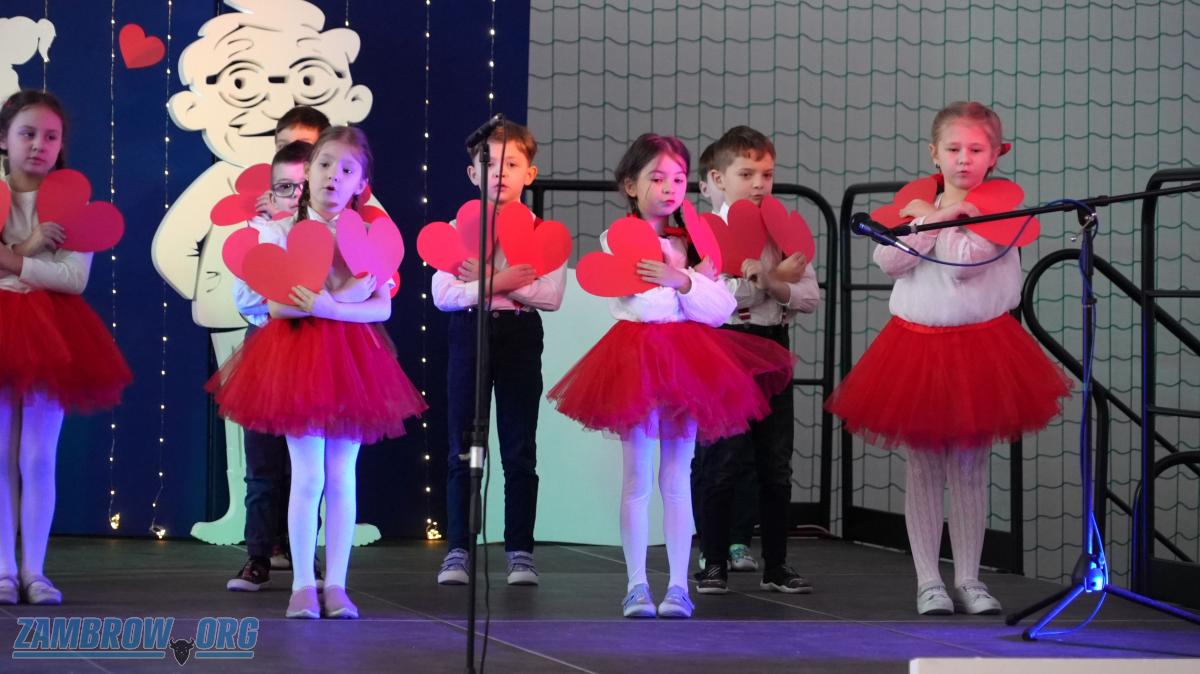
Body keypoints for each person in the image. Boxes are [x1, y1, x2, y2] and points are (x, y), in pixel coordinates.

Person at [826, 101, 1071, 615]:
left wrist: (934, 223)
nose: (964, 158)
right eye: (954, 148)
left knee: (969, 464)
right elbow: (889, 258)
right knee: (923, 466)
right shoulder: (917, 204)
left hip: (978, 348)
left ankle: (969, 579)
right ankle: (928, 581)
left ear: (995, 155)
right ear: (934, 153)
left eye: (976, 149)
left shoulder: (1001, 211)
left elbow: (962, 264)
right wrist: (936, 216)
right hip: (916, 347)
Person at [548, 133, 793, 619]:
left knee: (677, 477)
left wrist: (681, 279)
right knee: (638, 478)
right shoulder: (620, 239)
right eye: (656, 178)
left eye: (678, 179)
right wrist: (687, 284)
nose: (669, 188)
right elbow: (645, 304)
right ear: (631, 186)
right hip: (637, 362)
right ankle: (637, 584)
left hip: (686, 364)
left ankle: (679, 586)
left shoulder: (696, 240)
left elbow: (718, 308)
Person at [208, 126, 426, 619]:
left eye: (347, 170)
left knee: (343, 475)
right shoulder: (282, 230)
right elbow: (278, 306)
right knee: (307, 475)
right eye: (325, 164)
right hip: (297, 358)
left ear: (361, 183)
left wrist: (332, 304)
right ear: (308, 170)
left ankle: (338, 585)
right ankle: (303, 584)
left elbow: (382, 306)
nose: (333, 176)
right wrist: (341, 299)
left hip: (353, 360)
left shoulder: (366, 234)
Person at [0, 90, 132, 605]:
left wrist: (13, 260)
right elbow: (47, 268)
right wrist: (30, 250)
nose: (38, 144)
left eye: (50, 136)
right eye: (27, 133)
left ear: (61, 146)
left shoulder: (72, 202)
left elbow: (73, 279)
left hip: (53, 334)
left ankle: (34, 570)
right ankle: (3, 569)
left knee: (38, 455)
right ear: (4, 140)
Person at [432, 120, 565, 587]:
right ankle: (458, 549)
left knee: (519, 447)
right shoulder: (457, 229)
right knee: (464, 446)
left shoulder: (544, 232)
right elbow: (444, 294)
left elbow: (551, 295)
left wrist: (489, 281)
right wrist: (503, 281)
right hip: (470, 332)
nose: (500, 172)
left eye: (512, 164)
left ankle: (519, 551)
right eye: (489, 164)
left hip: (519, 334)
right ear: (473, 174)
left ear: (530, 173)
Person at [694, 126, 819, 595]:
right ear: (718, 178)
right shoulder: (703, 232)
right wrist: (767, 282)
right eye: (746, 174)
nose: (759, 184)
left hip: (774, 345)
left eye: (766, 174)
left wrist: (768, 280)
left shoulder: (782, 230)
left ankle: (777, 564)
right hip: (725, 346)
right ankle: (713, 560)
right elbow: (714, 297)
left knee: (775, 461)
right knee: (722, 457)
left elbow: (809, 296)